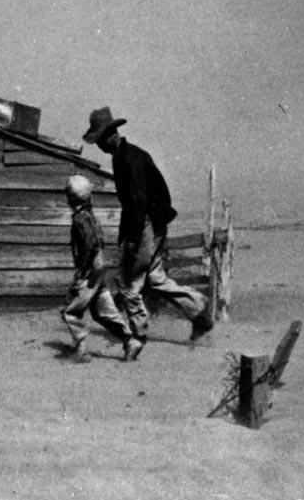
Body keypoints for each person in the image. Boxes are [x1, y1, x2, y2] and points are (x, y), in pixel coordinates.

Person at [82, 107, 213, 359]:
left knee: (130, 284)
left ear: (109, 135)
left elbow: (137, 202)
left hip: (145, 224)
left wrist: (131, 240)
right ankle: (198, 311)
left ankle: (138, 336)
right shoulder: (128, 155)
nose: (99, 146)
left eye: (99, 140)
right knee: (155, 279)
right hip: (153, 222)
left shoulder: (127, 160)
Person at [58, 175, 131, 363]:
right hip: (100, 268)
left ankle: (81, 350)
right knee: (103, 310)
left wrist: (82, 271)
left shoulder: (79, 219)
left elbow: (89, 245)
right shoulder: (92, 217)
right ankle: (129, 340)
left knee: (71, 310)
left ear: (70, 198)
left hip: (90, 269)